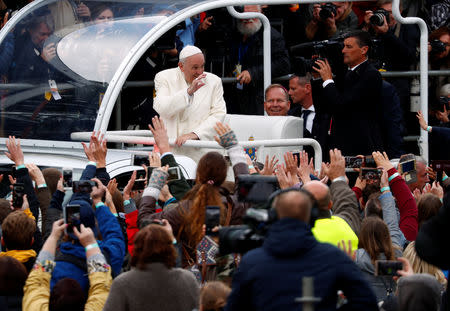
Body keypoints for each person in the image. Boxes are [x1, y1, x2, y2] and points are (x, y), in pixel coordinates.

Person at [225, 188, 378, 311]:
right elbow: (367, 302)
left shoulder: (252, 262)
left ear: (273, 217)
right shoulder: (334, 257)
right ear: (312, 217)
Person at [138, 117, 249, 267]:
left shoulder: (185, 209)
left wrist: (154, 185)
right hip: (231, 279)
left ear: (198, 176)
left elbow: (144, 221)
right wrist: (234, 147)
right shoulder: (238, 205)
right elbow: (245, 181)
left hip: (194, 280)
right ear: (223, 177)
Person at [313, 30, 383, 156]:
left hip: (359, 146)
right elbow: (322, 107)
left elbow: (341, 105)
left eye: (349, 47)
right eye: (343, 46)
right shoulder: (343, 74)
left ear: (364, 50)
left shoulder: (371, 75)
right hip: (335, 144)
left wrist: (328, 80)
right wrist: (318, 79)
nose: (343, 51)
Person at [153, 45, 226, 162]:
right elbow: (161, 107)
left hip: (200, 153)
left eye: (202, 66)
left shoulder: (214, 81)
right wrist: (187, 93)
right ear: (181, 66)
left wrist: (195, 134)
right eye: (195, 68)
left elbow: (219, 115)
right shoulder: (164, 77)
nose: (200, 72)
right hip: (171, 151)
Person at [103, 224, 199, 311]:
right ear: (170, 249)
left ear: (137, 250)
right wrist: (172, 239)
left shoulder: (123, 283)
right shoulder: (187, 279)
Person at [23, 220, 112, 311]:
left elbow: (37, 280)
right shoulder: (98, 307)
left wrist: (53, 237)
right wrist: (90, 243)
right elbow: (102, 284)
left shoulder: (34, 307)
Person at [224, 5, 290, 115]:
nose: (247, 18)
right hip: (237, 97)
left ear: (261, 14)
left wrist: (253, 73)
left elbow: (283, 64)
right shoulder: (236, 34)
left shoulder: (271, 36)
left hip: (258, 99)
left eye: (251, 15)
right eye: (243, 15)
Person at [288, 73, 330, 160]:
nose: (289, 92)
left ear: (307, 88)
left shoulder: (327, 114)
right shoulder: (290, 115)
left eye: (293, 89)